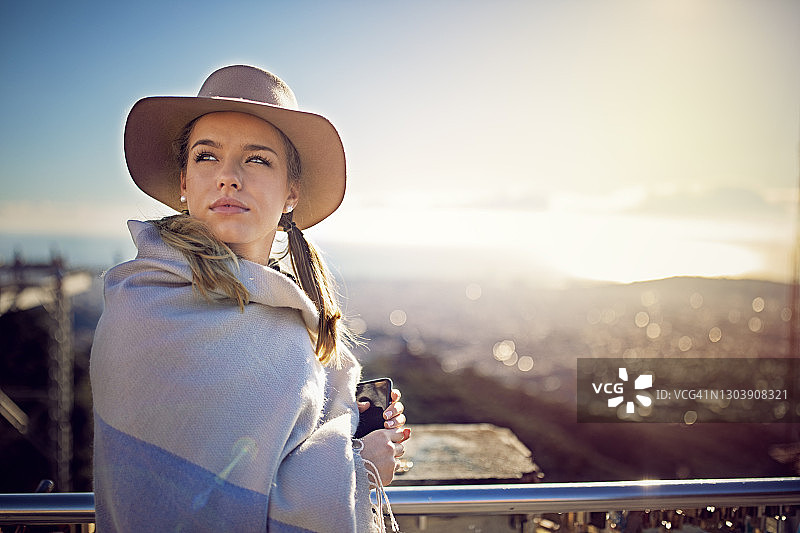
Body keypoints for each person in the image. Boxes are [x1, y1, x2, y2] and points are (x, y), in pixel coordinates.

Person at [90, 65, 409, 532]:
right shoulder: (141, 310)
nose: (228, 177)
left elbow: (279, 452)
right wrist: (362, 470)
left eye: (256, 160)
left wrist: (348, 421)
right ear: (184, 182)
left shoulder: (291, 315)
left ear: (290, 193)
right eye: (206, 157)